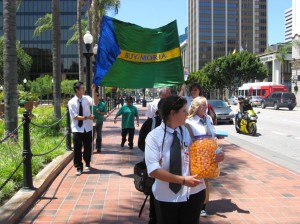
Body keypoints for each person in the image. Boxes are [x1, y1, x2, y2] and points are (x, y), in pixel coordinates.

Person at [145, 95, 205, 224]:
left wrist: (214, 157)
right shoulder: (154, 137)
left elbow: (201, 153)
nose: (187, 113)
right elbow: (153, 170)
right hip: (167, 197)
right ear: (172, 113)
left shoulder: (189, 131)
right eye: (184, 111)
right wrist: (182, 180)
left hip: (193, 193)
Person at [185, 96, 225, 217]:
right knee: (197, 182)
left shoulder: (208, 119)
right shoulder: (188, 122)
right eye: (202, 105)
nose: (205, 107)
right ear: (195, 107)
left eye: (206, 105)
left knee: (205, 181)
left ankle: (202, 205)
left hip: (210, 157)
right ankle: (197, 206)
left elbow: (212, 137)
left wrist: (219, 153)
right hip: (196, 159)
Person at [138, 99, 164, 224]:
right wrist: (153, 155)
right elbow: (141, 144)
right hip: (154, 167)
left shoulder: (177, 126)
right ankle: (153, 217)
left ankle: (154, 217)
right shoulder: (151, 123)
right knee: (155, 192)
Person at [68, 81, 99, 176]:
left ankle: (87, 162)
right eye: (82, 88)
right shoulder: (71, 102)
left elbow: (95, 102)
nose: (83, 89)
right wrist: (87, 117)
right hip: (77, 128)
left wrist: (94, 91)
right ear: (77, 90)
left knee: (87, 146)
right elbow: (75, 116)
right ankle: (78, 167)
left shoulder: (87, 98)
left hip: (88, 127)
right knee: (77, 148)